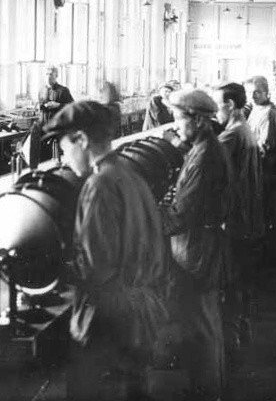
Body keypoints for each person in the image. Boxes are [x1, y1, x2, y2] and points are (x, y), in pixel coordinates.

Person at [43, 100, 170, 401]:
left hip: (109, 320)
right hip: (140, 313)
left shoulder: (99, 185)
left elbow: (96, 266)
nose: (64, 158)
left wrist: (49, 269)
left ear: (81, 140)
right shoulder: (129, 174)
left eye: (65, 148)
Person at [161, 89, 229, 401]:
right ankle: (208, 388)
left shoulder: (204, 157)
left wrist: (146, 219)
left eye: (179, 119)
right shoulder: (204, 148)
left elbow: (182, 214)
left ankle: (207, 392)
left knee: (200, 325)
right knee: (203, 323)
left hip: (196, 250)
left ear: (199, 120)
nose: (176, 125)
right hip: (199, 245)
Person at [212, 82, 264, 357]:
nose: (215, 112)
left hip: (236, 220)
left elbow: (205, 160)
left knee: (231, 279)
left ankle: (231, 341)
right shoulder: (245, 129)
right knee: (241, 279)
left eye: (217, 105)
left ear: (230, 104)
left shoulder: (232, 134)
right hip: (249, 217)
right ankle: (241, 330)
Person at [246, 76, 276, 267]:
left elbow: (266, 145)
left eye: (257, 92)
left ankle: (270, 256)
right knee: (261, 210)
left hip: (265, 168)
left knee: (266, 210)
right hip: (258, 167)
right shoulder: (256, 109)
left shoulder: (269, 113)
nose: (253, 96)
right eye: (250, 92)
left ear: (267, 93)